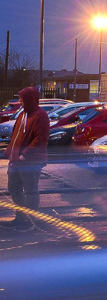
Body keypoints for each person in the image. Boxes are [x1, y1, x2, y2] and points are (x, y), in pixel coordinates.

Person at [4, 87, 49, 230]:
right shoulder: (22, 115)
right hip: (17, 160)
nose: (19, 101)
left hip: (30, 161)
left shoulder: (40, 115)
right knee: (14, 188)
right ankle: (21, 217)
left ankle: (30, 221)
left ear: (29, 100)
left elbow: (40, 139)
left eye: (22, 99)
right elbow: (16, 135)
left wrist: (24, 155)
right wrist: (11, 152)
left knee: (30, 190)